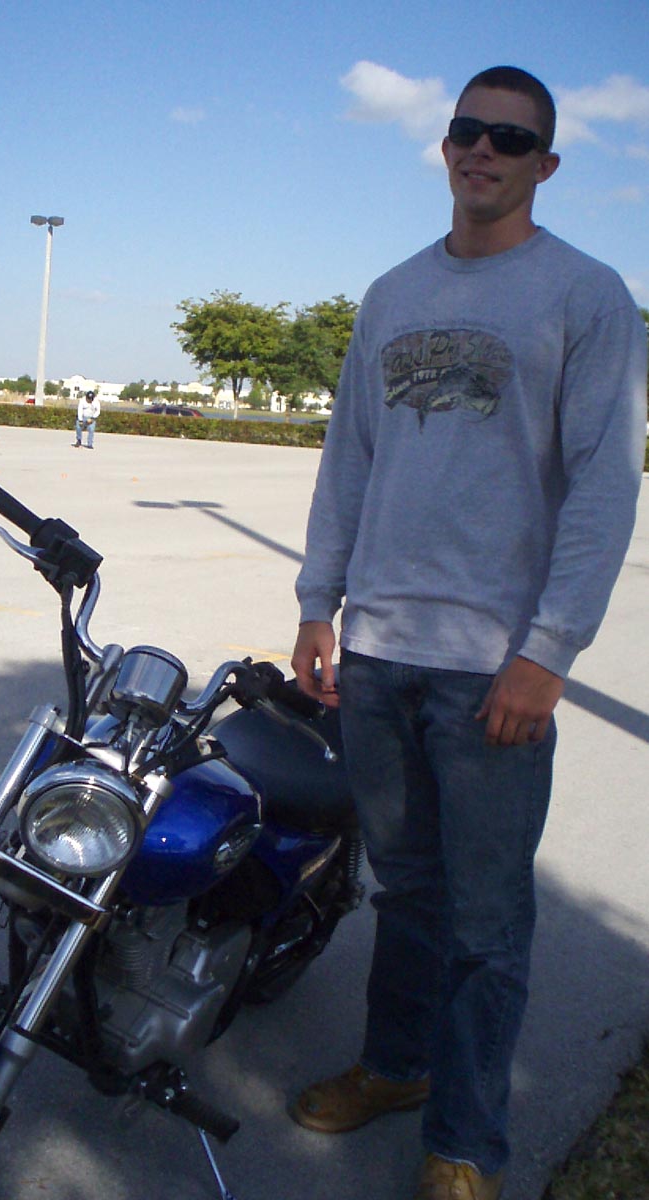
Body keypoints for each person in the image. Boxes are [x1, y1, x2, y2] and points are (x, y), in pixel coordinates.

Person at [290, 65, 646, 1200]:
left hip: (494, 669)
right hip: (380, 654)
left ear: (547, 163)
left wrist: (549, 652)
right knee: (405, 895)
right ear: (444, 147)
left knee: (487, 924)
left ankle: (466, 1141)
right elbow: (350, 456)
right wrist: (317, 602)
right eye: (467, 130)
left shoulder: (586, 294)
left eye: (511, 137)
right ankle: (395, 1069)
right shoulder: (392, 294)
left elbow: (606, 482)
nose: (484, 149)